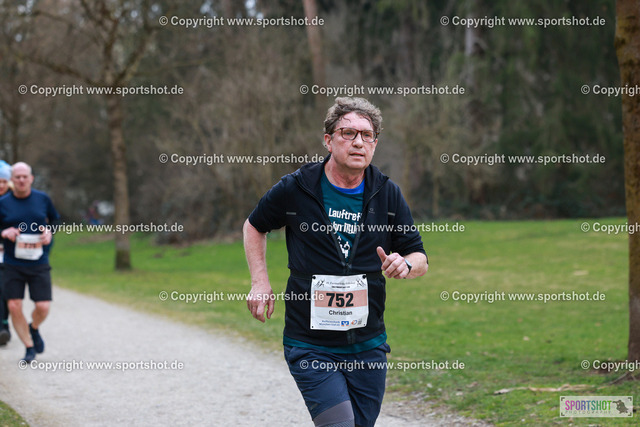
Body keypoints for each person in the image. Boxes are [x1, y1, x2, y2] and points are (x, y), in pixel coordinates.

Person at [244, 97, 428, 427]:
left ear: (375, 144)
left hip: (368, 345)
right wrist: (260, 282)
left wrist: (406, 264)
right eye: (348, 133)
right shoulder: (297, 188)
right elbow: (254, 225)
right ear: (328, 141)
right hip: (310, 344)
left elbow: (419, 256)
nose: (358, 142)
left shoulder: (387, 194)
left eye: (367, 135)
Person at [0, 162, 59, 362]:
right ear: (12, 180)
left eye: (25, 176)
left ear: (31, 179)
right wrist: (4, 232)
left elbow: (55, 220)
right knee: (14, 305)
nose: (21, 180)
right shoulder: (3, 203)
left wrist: (49, 232)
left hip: (38, 262)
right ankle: (29, 347)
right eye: (17, 177)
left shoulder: (42, 199)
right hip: (12, 263)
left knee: (43, 307)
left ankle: (33, 328)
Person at [0, 160, 13, 345]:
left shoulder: (14, 202)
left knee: (5, 292)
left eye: (4, 181)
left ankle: (4, 326)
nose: (1, 185)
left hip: (9, 256)